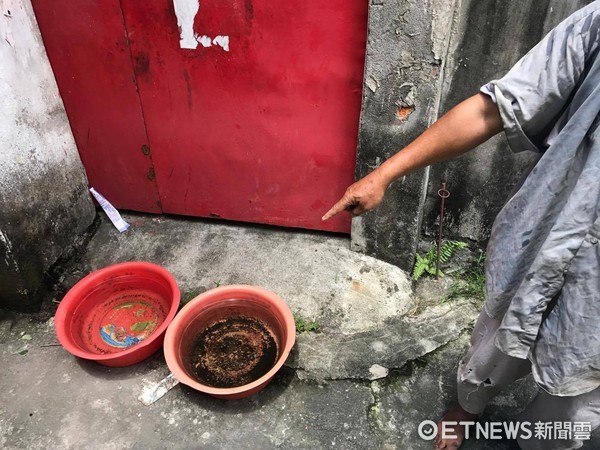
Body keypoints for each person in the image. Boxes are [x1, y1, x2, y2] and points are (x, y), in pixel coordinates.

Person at [322, 2, 600, 449]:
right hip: (548, 234)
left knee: (578, 398)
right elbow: (495, 108)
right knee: (497, 339)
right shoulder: (597, 22)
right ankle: (467, 407)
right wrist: (383, 174)